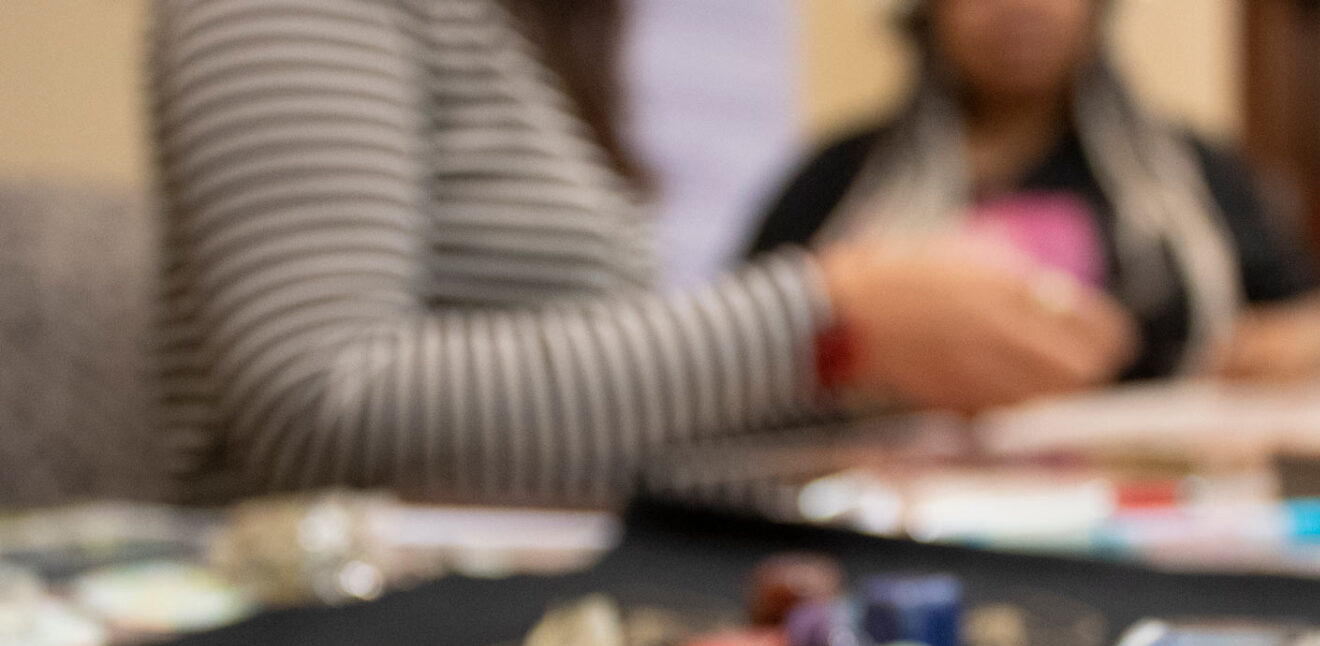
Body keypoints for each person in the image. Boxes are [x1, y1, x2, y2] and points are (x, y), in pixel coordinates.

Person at [147, 0, 1134, 503]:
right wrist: (829, 323)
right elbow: (312, 402)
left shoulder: (527, 42)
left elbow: (573, 410)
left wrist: (865, 392)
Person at [748, 0, 1320, 384]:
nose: (1020, 8)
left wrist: (1291, 345)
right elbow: (746, 335)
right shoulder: (845, 177)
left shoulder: (1188, 175)